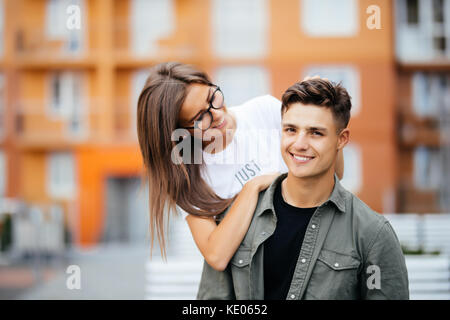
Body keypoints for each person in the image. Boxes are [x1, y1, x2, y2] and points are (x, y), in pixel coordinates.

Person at [197, 78, 409, 300]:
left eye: (316, 133)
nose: (299, 144)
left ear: (342, 139)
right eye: (290, 130)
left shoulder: (372, 234)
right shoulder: (238, 222)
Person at [136, 62, 343, 271]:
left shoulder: (264, 111)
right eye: (199, 118)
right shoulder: (189, 175)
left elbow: (334, 174)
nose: (216, 114)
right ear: (180, 131)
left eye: (212, 97)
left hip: (317, 257)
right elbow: (217, 255)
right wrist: (252, 188)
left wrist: (324, 115)